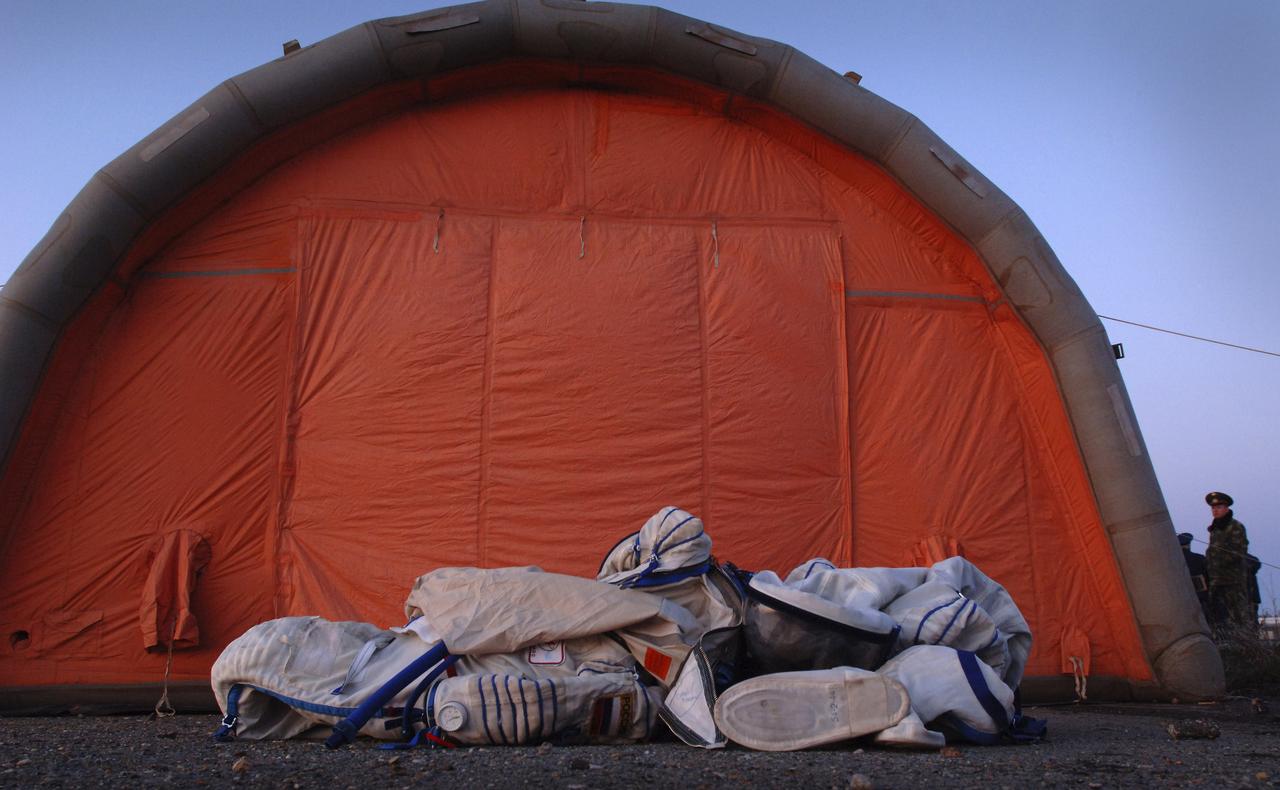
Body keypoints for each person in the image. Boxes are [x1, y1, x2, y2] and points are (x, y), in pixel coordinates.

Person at [1204, 491, 1253, 636]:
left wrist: (1217, 561)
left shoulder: (1235, 526)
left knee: (1238, 615)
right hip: (1216, 579)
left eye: (1219, 507)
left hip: (1232, 580)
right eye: (1213, 508)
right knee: (1218, 615)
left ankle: (1246, 643)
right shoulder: (1215, 528)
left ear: (1226, 508)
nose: (1215, 510)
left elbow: (1237, 552)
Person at [1177, 532, 1211, 622]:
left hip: (1184, 603)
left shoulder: (1173, 563)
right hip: (1203, 600)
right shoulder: (1199, 559)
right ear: (1189, 545)